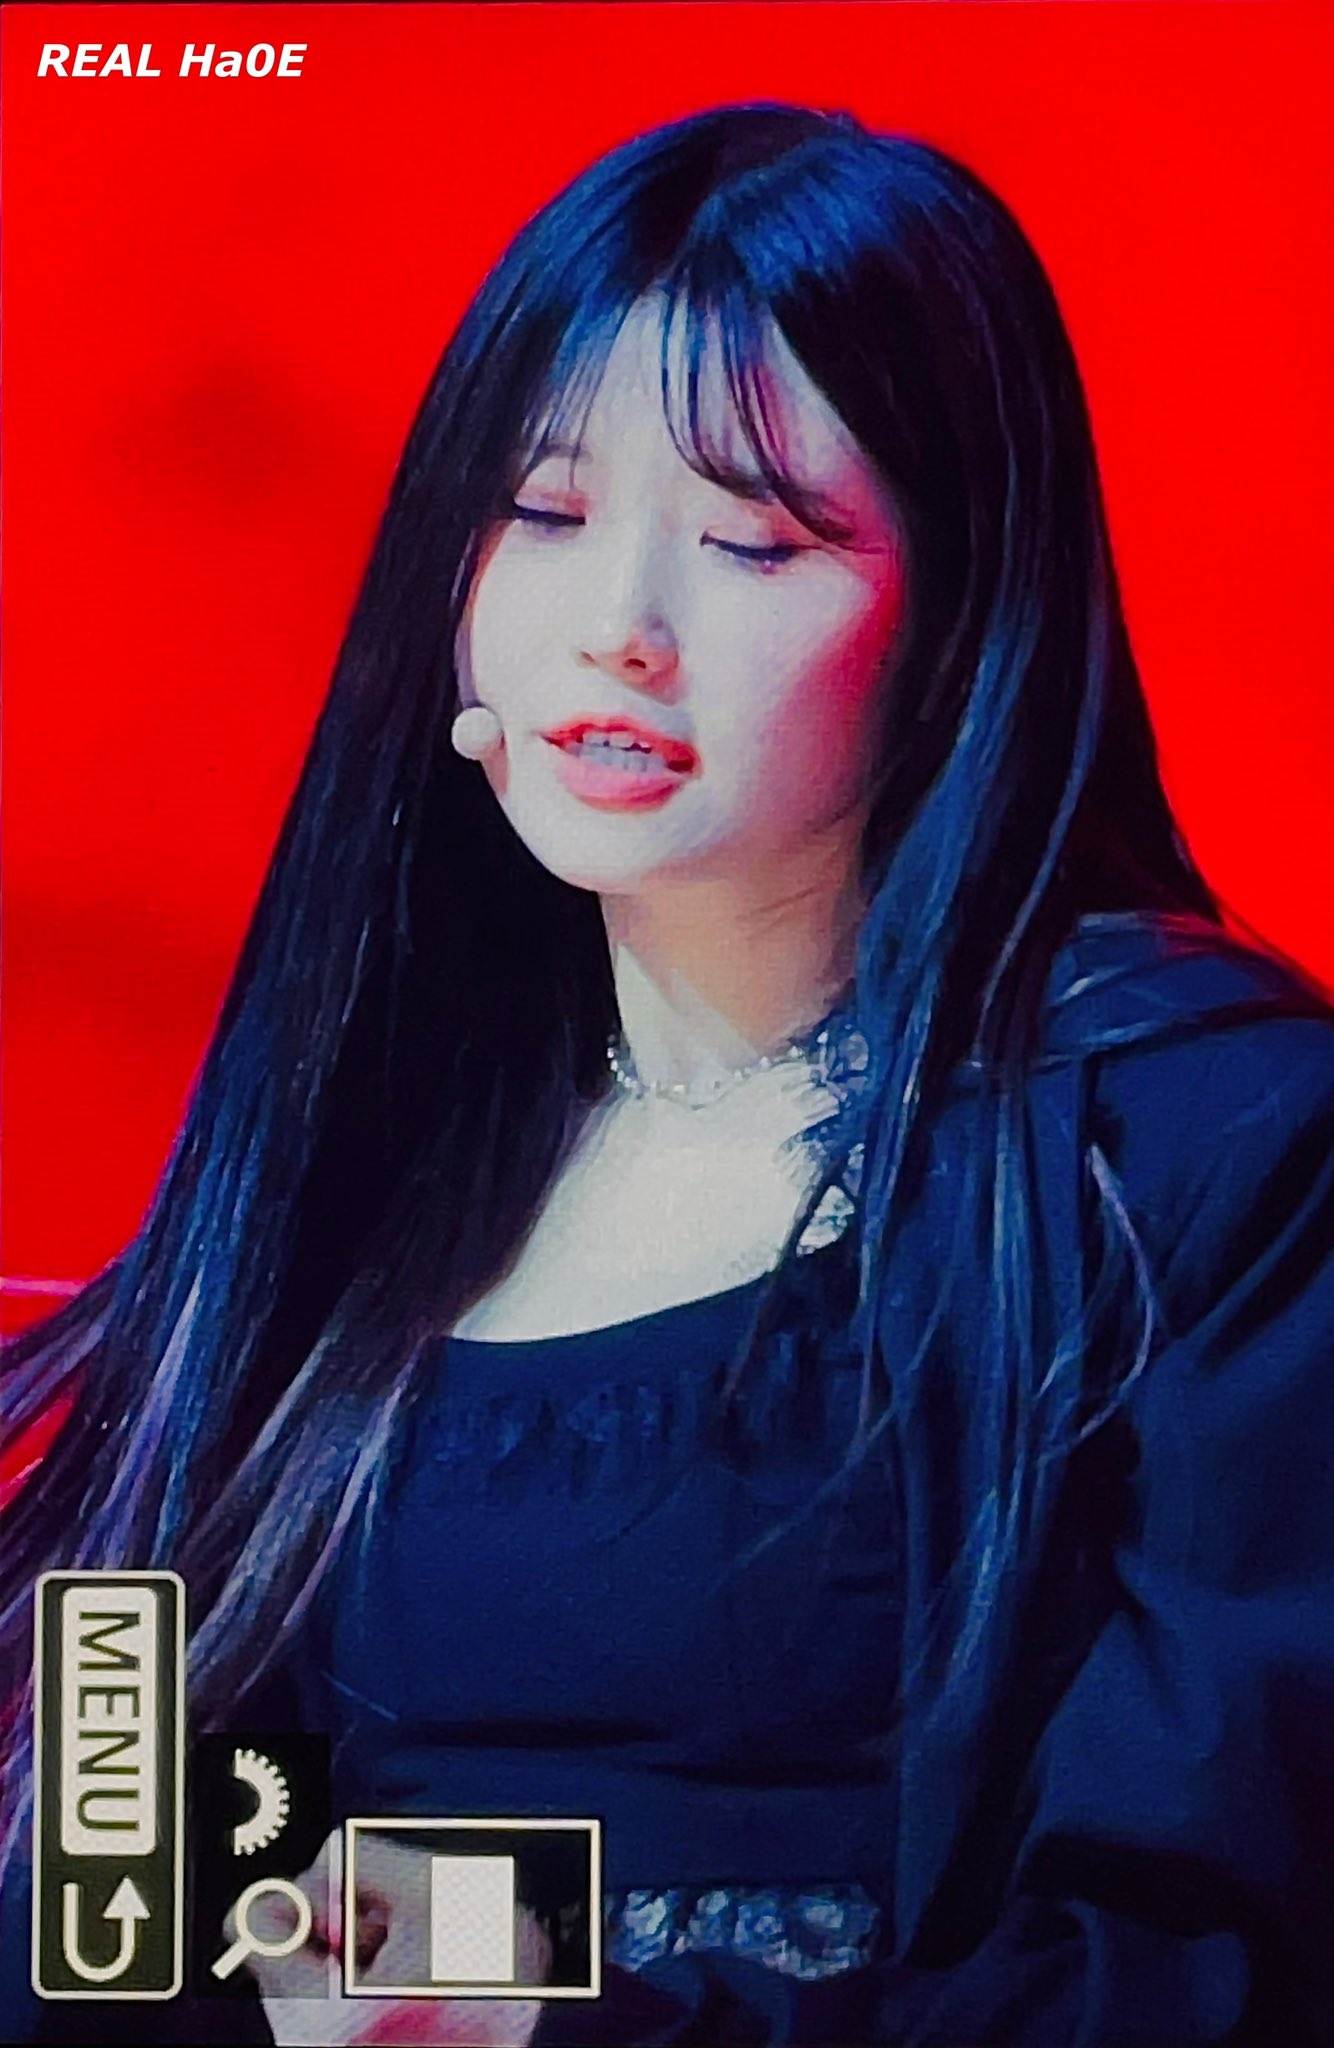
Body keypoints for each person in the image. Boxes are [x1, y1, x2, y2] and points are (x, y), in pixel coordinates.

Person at [2, 102, 1333, 2048]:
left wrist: (557, 2023)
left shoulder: (1202, 1142)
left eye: (746, 541)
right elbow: (144, 1884)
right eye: (542, 514)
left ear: (959, 614)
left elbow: (1217, 1969)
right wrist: (276, 1940)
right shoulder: (369, 1132)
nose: (617, 628)